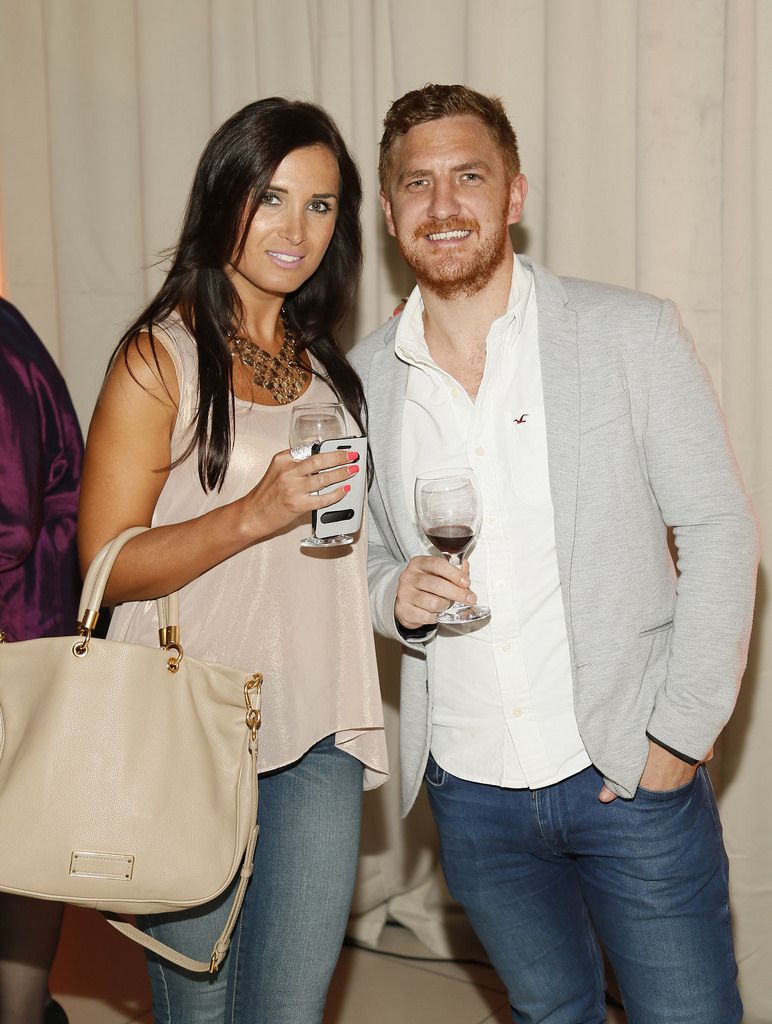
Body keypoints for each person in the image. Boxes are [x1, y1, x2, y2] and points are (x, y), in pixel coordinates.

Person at [349, 83, 758, 1024]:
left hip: (627, 774)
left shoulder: (628, 334)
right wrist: (391, 594)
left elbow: (722, 531)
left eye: (469, 177)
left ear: (515, 195)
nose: (443, 205)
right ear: (389, 210)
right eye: (418, 183)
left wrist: (676, 739)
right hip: (471, 794)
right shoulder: (364, 381)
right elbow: (362, 560)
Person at [77, 98, 387, 1024]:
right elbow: (105, 565)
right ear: (224, 201)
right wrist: (254, 513)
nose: (297, 230)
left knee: (288, 1011)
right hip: (189, 725)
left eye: (322, 207)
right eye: (273, 198)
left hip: (319, 724)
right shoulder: (159, 358)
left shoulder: (327, 365)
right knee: (201, 1010)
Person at [0, 298, 82, 1024]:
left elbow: (7, 520)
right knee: (24, 836)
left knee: (21, 840)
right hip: (31, 630)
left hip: (20, 633)